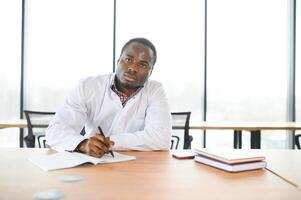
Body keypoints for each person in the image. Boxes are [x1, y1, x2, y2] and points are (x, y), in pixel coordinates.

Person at [46, 37, 172, 158]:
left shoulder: (156, 91)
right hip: (93, 162)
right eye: (128, 59)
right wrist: (83, 144)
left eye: (143, 65)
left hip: (137, 167)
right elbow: (55, 132)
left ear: (151, 71)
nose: (133, 68)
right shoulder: (87, 86)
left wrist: (109, 142)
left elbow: (161, 138)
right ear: (118, 61)